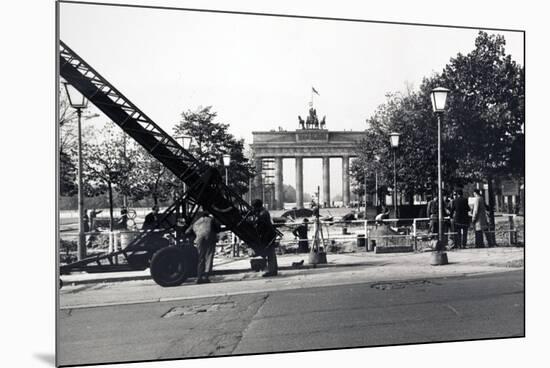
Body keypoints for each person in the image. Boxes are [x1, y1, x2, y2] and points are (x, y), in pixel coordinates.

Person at [185, 211, 221, 284]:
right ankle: (206, 277)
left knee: (200, 257)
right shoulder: (211, 219)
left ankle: (199, 277)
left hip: (199, 239)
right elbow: (218, 229)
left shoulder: (196, 221)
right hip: (209, 238)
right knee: (209, 256)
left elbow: (187, 232)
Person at [250, 199, 278, 277]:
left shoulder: (263, 214)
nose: (254, 209)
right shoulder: (264, 212)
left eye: (254, 207)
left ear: (257, 206)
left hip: (268, 236)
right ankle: (273, 270)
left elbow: (261, 226)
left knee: (270, 254)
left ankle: (272, 271)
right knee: (271, 254)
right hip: (269, 235)